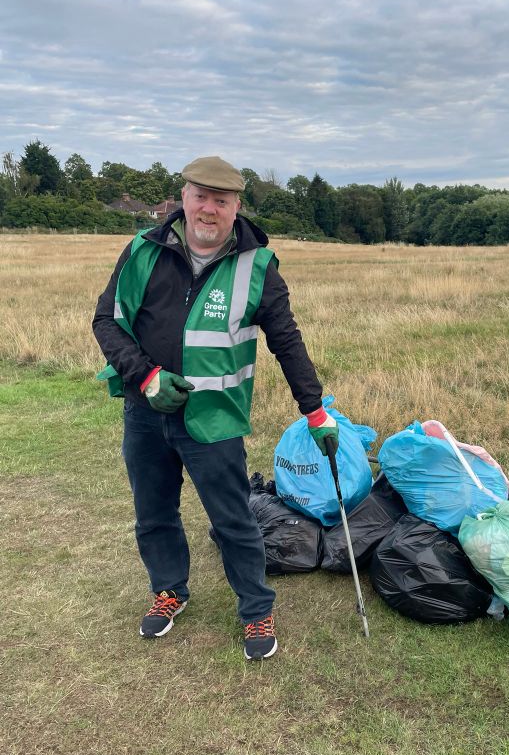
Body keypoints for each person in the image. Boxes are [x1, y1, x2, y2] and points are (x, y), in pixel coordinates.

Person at [92, 155, 338, 660]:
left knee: (233, 519)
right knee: (153, 511)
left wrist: (314, 410)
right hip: (145, 411)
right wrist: (145, 375)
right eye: (200, 196)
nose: (208, 208)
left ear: (235, 208)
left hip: (215, 418)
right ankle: (169, 591)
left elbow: (286, 341)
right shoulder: (143, 251)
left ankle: (255, 610)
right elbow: (106, 321)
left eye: (220, 201)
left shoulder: (258, 266)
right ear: (183, 198)